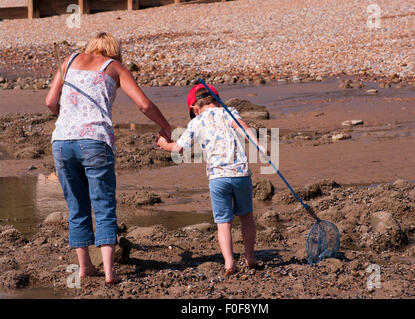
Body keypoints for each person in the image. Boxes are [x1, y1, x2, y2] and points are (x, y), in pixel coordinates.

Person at [45, 32, 171, 284]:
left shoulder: (68, 61)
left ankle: (84, 268)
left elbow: (50, 102)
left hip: (61, 142)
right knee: (103, 205)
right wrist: (165, 126)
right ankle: (110, 273)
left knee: (76, 206)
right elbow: (143, 105)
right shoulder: (114, 67)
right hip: (95, 141)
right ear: (113, 50)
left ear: (90, 47)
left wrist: (67, 116)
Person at [157, 84, 268, 275]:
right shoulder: (229, 112)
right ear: (218, 101)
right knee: (247, 217)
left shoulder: (196, 122)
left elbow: (178, 149)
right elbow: (244, 129)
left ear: (194, 108)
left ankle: (229, 263)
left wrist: (163, 144)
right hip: (240, 174)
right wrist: (260, 146)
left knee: (223, 223)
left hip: (218, 178)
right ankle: (250, 257)